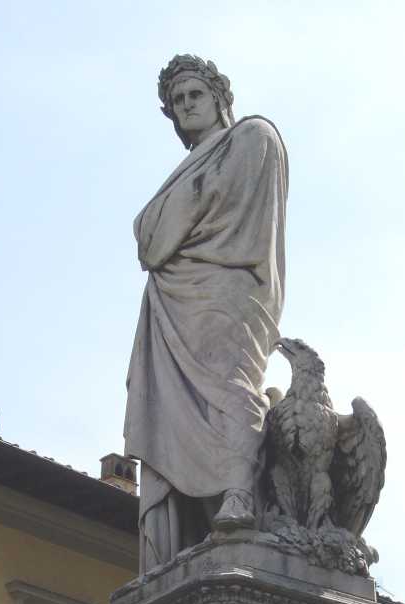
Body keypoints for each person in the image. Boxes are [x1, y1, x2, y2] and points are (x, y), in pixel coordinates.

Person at [124, 55, 288, 573]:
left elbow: (166, 229)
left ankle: (240, 493)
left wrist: (172, 225)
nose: (186, 105)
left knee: (230, 382)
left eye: (195, 94)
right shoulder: (187, 170)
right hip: (173, 303)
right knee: (171, 411)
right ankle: (182, 539)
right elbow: (149, 238)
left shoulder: (252, 137)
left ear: (219, 98)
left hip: (229, 288)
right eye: (177, 101)